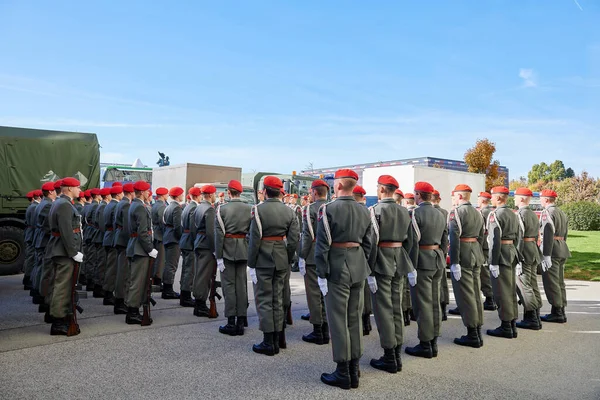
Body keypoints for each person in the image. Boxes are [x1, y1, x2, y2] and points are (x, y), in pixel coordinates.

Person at [315, 169, 371, 390]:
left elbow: (322, 245)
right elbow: (369, 243)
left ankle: (342, 372)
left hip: (337, 268)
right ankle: (354, 368)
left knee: (338, 320)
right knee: (354, 318)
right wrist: (363, 265)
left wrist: (321, 273)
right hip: (358, 266)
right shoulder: (364, 210)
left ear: (338, 186)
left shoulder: (327, 209)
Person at [368, 175, 416, 374]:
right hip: (399, 260)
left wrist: (369, 269)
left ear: (381, 190)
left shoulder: (375, 211)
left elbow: (371, 242)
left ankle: (389, 356)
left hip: (381, 262)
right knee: (396, 307)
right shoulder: (405, 211)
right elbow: (411, 241)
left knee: (383, 310)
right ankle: (396, 353)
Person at [248, 176, 299, 356]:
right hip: (281, 257)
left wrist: (251, 262)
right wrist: (288, 257)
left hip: (263, 257)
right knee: (278, 298)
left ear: (265, 190)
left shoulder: (258, 210)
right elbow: (293, 240)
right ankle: (278, 337)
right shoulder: (290, 211)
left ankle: (269, 341)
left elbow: (254, 239)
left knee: (264, 298)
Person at [405, 182, 448, 359]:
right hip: (437, 258)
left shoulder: (415, 213)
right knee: (434, 303)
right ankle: (433, 342)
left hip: (422, 260)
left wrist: (411, 266)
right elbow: (445, 239)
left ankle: (425, 344)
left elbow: (413, 242)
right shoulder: (440, 213)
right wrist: (442, 256)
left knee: (422, 304)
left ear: (418, 194)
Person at [448, 185, 485, 348]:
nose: (454, 199)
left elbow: (454, 238)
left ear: (460, 196)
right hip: (475, 252)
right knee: (476, 293)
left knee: (466, 295)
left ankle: (472, 333)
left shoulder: (456, 212)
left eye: (455, 196)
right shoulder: (478, 212)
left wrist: (454, 261)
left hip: (463, 254)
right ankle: (477, 330)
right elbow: (482, 235)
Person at [46, 177, 83, 335]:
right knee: (62, 287)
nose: (79, 190)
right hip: (64, 251)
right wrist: (73, 252)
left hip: (62, 250)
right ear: (69, 188)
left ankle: (60, 316)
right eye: (77, 187)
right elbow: (66, 231)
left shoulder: (61, 203)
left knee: (62, 285)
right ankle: (58, 321)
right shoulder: (64, 205)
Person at [215, 180, 252, 335]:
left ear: (228, 192)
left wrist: (219, 257)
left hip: (228, 250)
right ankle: (242, 319)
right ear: (240, 192)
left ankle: (231, 322)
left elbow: (219, 235)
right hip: (243, 249)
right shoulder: (249, 208)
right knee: (242, 286)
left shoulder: (222, 209)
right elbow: (253, 233)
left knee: (229, 287)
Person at [298, 179, 330, 345]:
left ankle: (318, 330)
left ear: (315, 192)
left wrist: (302, 256)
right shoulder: (331, 207)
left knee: (314, 293)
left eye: (311, 192)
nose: (310, 195)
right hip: (329, 254)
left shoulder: (310, 208)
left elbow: (307, 235)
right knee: (326, 292)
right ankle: (326, 328)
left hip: (313, 254)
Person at [486, 186, 520, 339]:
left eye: (493, 196)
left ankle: (506, 326)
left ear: (499, 198)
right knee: (510, 289)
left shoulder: (496, 214)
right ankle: (512, 323)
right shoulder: (513, 213)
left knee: (502, 291)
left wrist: (493, 262)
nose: (491, 199)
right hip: (511, 252)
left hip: (501, 255)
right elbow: (519, 236)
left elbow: (494, 240)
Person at [125, 180, 158, 324]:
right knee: (137, 282)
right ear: (142, 192)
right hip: (140, 249)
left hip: (136, 246)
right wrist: (150, 249)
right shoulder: (139, 207)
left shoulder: (135, 205)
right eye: (147, 191)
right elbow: (143, 232)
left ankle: (133, 310)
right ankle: (132, 312)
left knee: (136, 281)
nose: (148, 193)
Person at [539, 189, 571, 323]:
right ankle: (561, 310)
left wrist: (545, 254)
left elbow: (547, 234)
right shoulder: (561, 213)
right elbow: (566, 233)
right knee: (559, 282)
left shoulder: (547, 212)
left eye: (541, 198)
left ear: (546, 199)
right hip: (562, 247)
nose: (540, 201)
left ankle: (557, 312)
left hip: (552, 250)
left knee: (552, 282)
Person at [514, 187, 543, 330]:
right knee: (532, 284)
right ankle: (536, 315)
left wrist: (518, 258)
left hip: (524, 251)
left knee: (524, 285)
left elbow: (519, 237)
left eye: (515, 197)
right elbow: (536, 235)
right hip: (532, 249)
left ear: (521, 198)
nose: (513, 199)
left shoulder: (520, 214)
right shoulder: (532, 213)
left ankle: (531, 317)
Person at [192, 185, 217, 316]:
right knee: (204, 276)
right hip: (206, 245)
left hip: (198, 242)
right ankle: (200, 304)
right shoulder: (209, 210)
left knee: (199, 273)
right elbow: (211, 233)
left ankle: (198, 302)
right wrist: (214, 249)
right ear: (211, 195)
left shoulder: (198, 207)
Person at [32, 182, 57, 309]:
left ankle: (38, 293)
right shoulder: (47, 205)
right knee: (45, 270)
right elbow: (48, 227)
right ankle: (42, 297)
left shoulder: (43, 203)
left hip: (41, 239)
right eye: (55, 190)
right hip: (45, 241)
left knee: (40, 267)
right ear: (51, 192)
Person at [352, 185, 373, 335]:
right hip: (363, 254)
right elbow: (370, 239)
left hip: (352, 255)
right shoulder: (366, 211)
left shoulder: (352, 210)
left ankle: (362, 322)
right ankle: (366, 322)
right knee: (364, 292)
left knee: (356, 295)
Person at [113, 183, 135, 315]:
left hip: (119, 239)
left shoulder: (121, 203)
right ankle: (121, 301)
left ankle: (120, 300)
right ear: (131, 193)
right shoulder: (126, 205)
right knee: (124, 273)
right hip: (125, 241)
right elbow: (128, 227)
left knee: (122, 271)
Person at [162, 187, 184, 299]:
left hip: (167, 236)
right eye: (181, 194)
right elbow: (178, 226)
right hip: (173, 239)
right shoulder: (176, 208)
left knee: (168, 264)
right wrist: (181, 238)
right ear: (178, 195)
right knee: (171, 265)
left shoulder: (169, 206)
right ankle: (168, 289)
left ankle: (166, 287)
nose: (182, 196)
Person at [102, 185, 122, 306]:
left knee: (110, 267)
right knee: (112, 268)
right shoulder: (115, 206)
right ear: (118, 194)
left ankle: (108, 293)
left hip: (108, 236)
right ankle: (109, 294)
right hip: (113, 237)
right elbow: (116, 223)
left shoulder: (109, 205)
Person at [432, 189, 450, 321]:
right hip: (440, 251)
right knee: (442, 282)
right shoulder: (444, 212)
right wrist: (443, 252)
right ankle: (443, 309)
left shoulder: (419, 212)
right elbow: (445, 235)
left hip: (427, 252)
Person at [179, 187, 199, 307]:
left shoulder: (187, 207)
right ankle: (186, 296)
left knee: (186, 269)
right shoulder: (193, 208)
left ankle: (184, 294)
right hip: (190, 242)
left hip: (185, 240)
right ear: (197, 196)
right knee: (189, 270)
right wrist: (195, 241)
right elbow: (193, 228)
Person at [478, 191, 497, 311]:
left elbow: (481, 231)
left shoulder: (484, 212)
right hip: (489, 245)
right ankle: (491, 296)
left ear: (483, 200)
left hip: (484, 245)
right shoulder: (491, 211)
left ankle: (490, 298)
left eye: (479, 199)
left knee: (484, 273)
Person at [92, 188, 111, 299]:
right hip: (101, 237)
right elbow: (102, 225)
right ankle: (99, 288)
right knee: (102, 264)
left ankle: (98, 287)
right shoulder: (103, 206)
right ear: (107, 196)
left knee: (101, 263)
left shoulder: (102, 205)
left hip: (99, 237)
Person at [23, 190, 42, 291]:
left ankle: (28, 278)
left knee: (30, 256)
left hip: (30, 233)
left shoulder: (33, 206)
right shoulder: (34, 207)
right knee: (31, 257)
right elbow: (35, 223)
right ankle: (28, 278)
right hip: (32, 234)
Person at [151, 187, 168, 288]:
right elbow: (163, 222)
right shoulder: (162, 206)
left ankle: (155, 277)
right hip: (160, 235)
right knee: (161, 259)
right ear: (163, 195)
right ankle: (158, 278)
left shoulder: (155, 205)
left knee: (157, 258)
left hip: (156, 232)